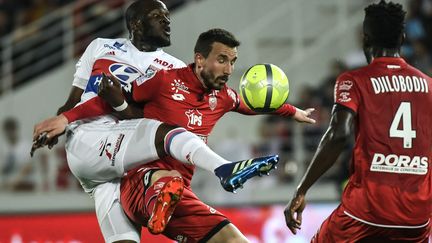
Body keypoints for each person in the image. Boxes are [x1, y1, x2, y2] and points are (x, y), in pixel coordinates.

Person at [37, 28, 316, 242]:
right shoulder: (163, 80)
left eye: (233, 61)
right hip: (142, 182)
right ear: (199, 58)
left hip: (179, 193)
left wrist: (293, 112)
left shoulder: (223, 97)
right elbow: (110, 99)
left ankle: (164, 209)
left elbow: (252, 104)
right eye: (222, 60)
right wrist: (66, 118)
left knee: (232, 238)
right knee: (166, 163)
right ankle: (212, 175)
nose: (229, 70)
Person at [284, 1, 431, 242]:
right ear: (403, 37)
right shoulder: (429, 85)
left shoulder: (354, 80)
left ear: (365, 38)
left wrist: (301, 189)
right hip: (417, 216)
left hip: (367, 209)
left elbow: (338, 135)